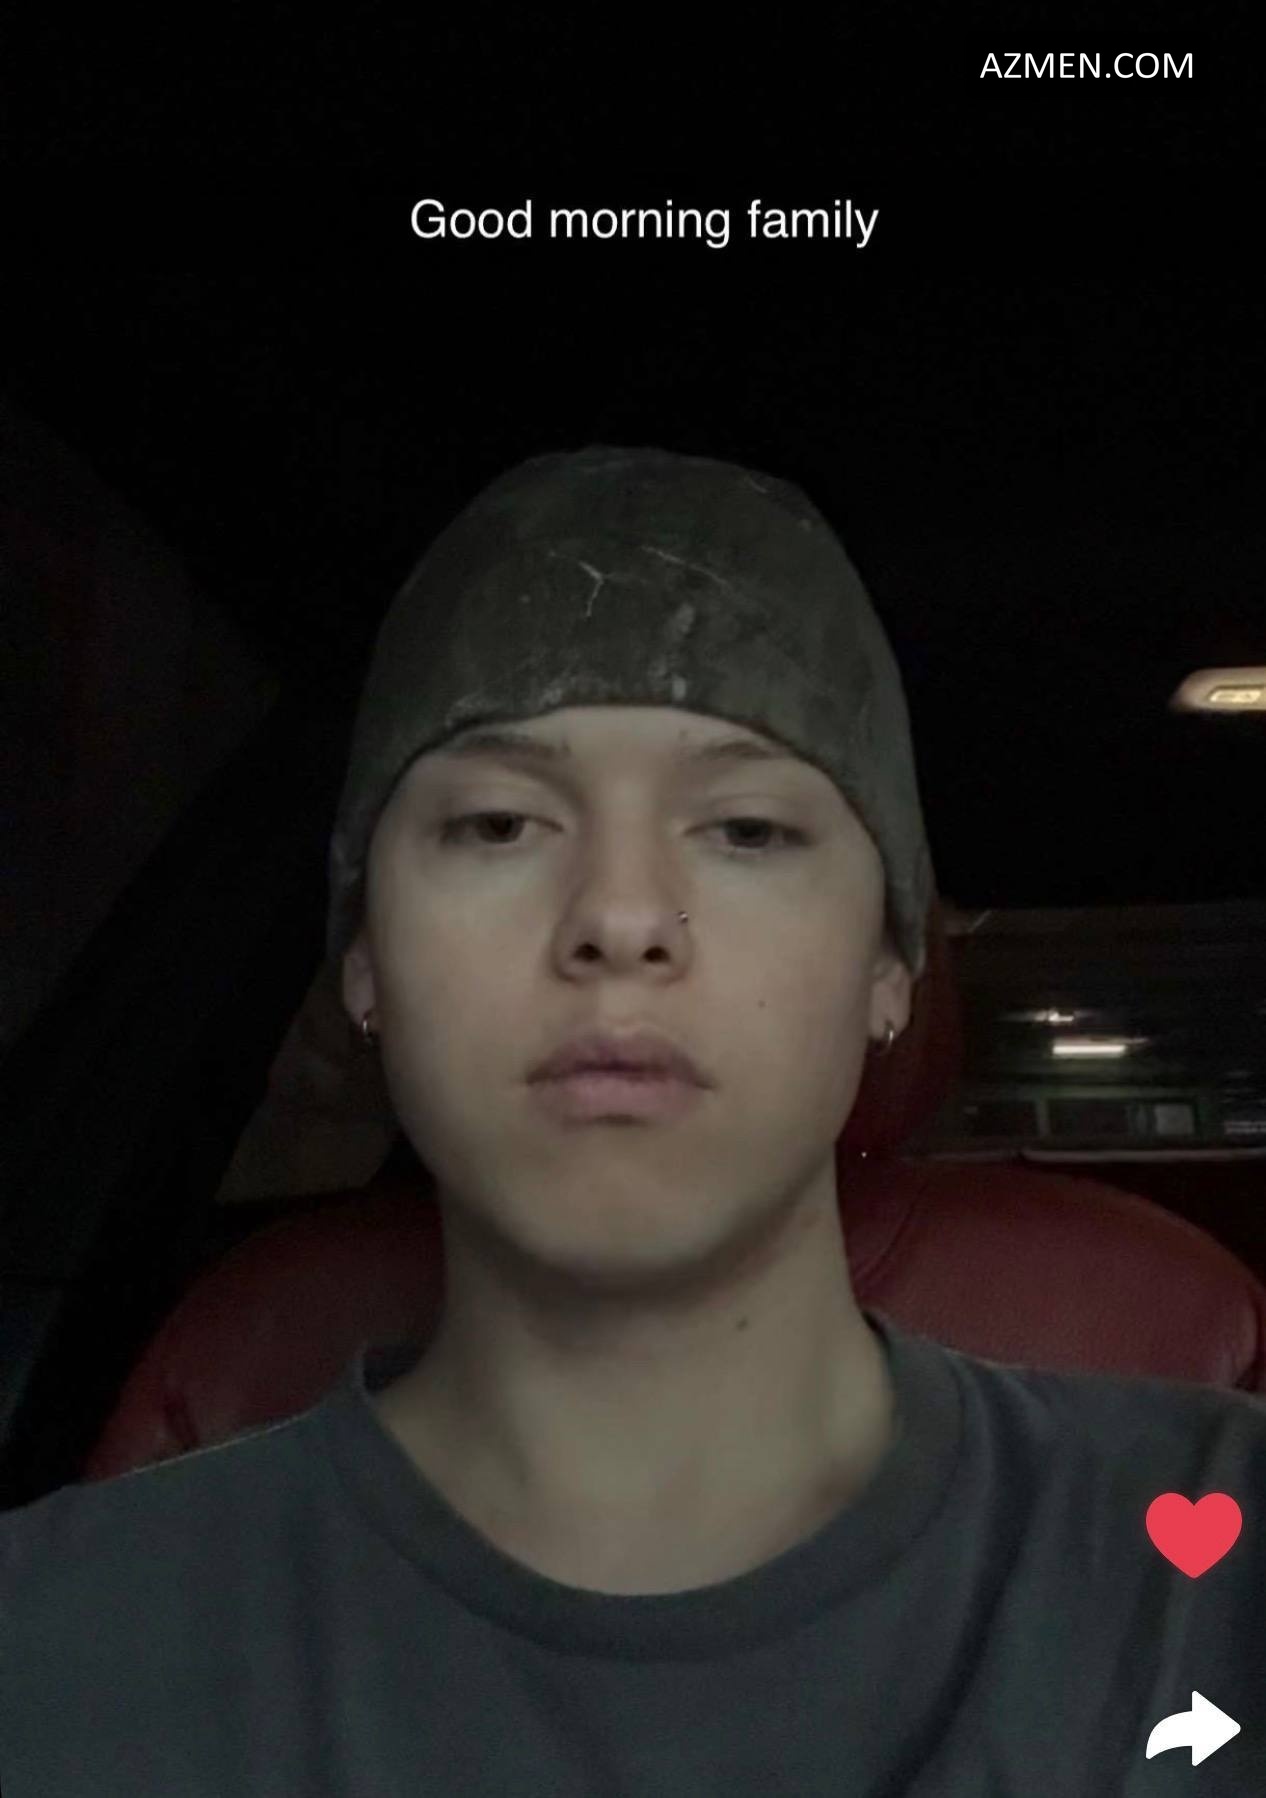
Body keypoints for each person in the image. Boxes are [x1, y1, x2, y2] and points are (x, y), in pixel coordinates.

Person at [2, 446, 1264, 1796]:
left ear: (889, 964)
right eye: (498, 823)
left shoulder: (1209, 1568)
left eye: (747, 830)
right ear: (363, 959)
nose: (617, 915)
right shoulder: (54, 1639)